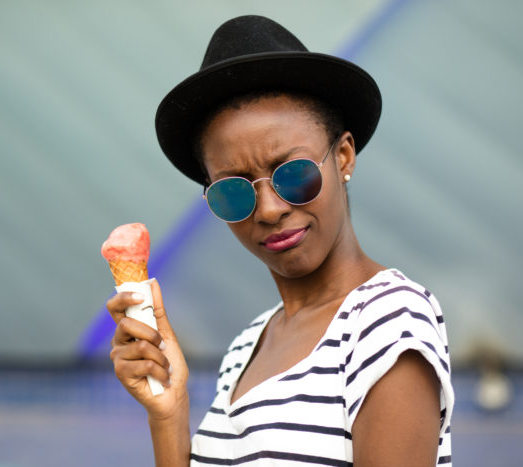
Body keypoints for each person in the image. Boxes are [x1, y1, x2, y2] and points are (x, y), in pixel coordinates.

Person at [107, 15, 454, 466]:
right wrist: (169, 416)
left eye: (294, 173)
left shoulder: (387, 321)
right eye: (234, 191)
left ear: (344, 156)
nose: (270, 209)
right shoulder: (245, 347)